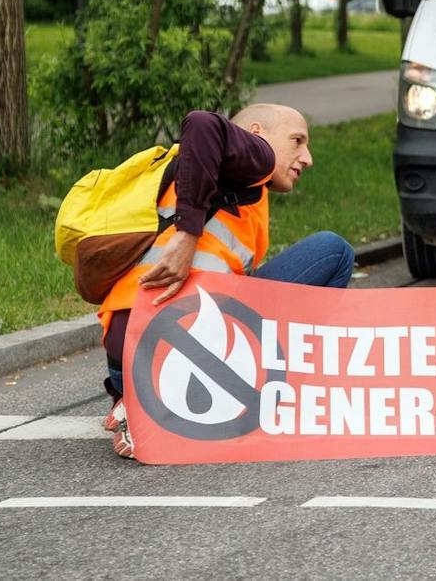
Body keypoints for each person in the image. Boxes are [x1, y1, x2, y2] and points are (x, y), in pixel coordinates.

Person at [93, 104, 353, 459]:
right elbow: (201, 123)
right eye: (296, 141)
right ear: (256, 134)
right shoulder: (255, 157)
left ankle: (132, 404)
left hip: (127, 360)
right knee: (334, 252)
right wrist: (187, 234)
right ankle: (285, 395)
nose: (307, 158)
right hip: (171, 350)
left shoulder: (207, 175)